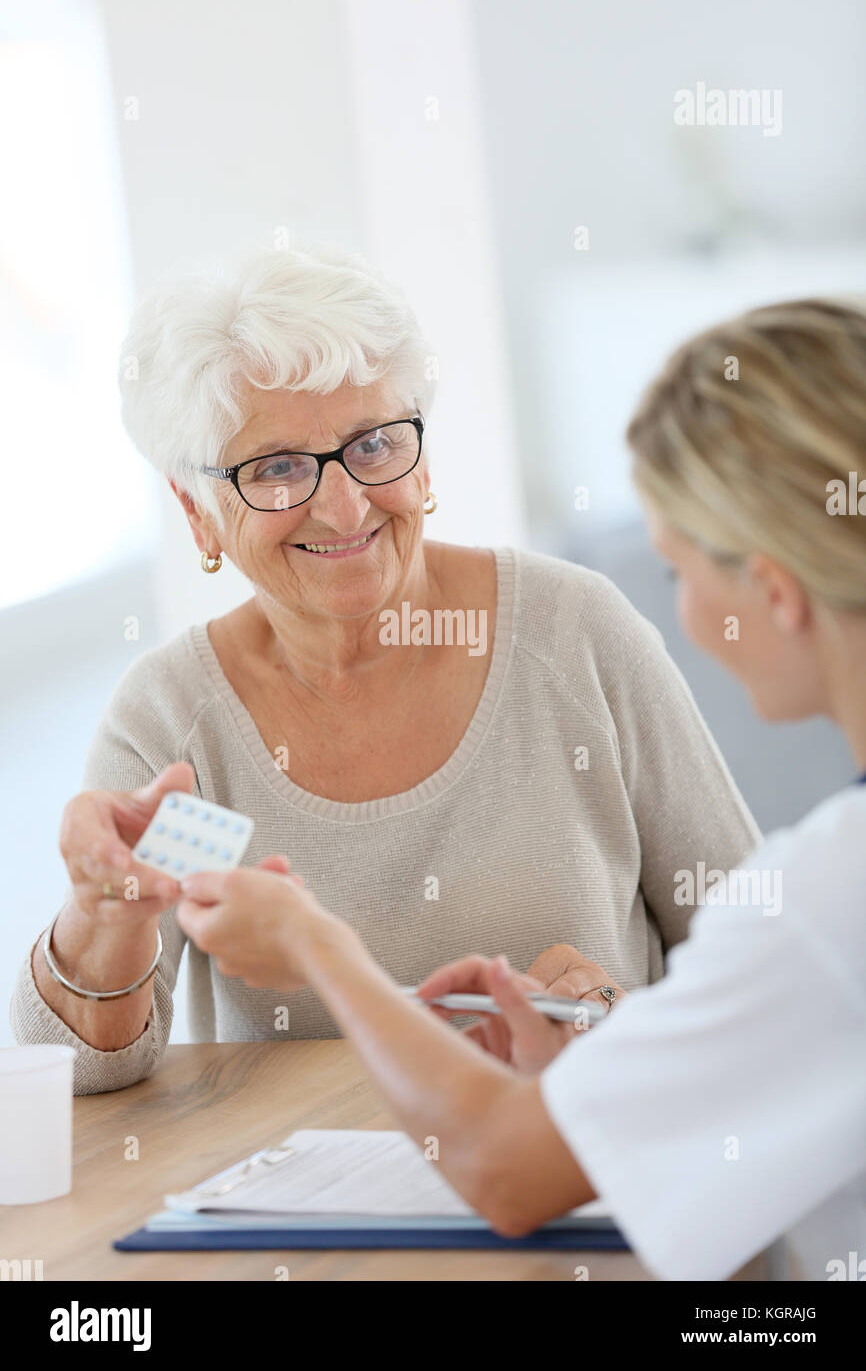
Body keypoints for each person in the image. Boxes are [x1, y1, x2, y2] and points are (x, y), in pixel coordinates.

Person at [174, 298, 866, 1280]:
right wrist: (605, 1076)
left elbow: (506, 1170)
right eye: (279, 466)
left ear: (775, 590)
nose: (681, 607)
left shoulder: (831, 892)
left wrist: (317, 948)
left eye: (675, 568)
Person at [11, 241, 757, 1096]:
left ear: (423, 456)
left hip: (578, 1175)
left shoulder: (574, 634)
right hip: (307, 1213)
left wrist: (629, 1028)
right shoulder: (174, 720)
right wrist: (104, 911)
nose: (344, 504)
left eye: (373, 444)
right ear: (200, 512)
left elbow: (765, 956)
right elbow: (85, 1074)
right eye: (278, 468)